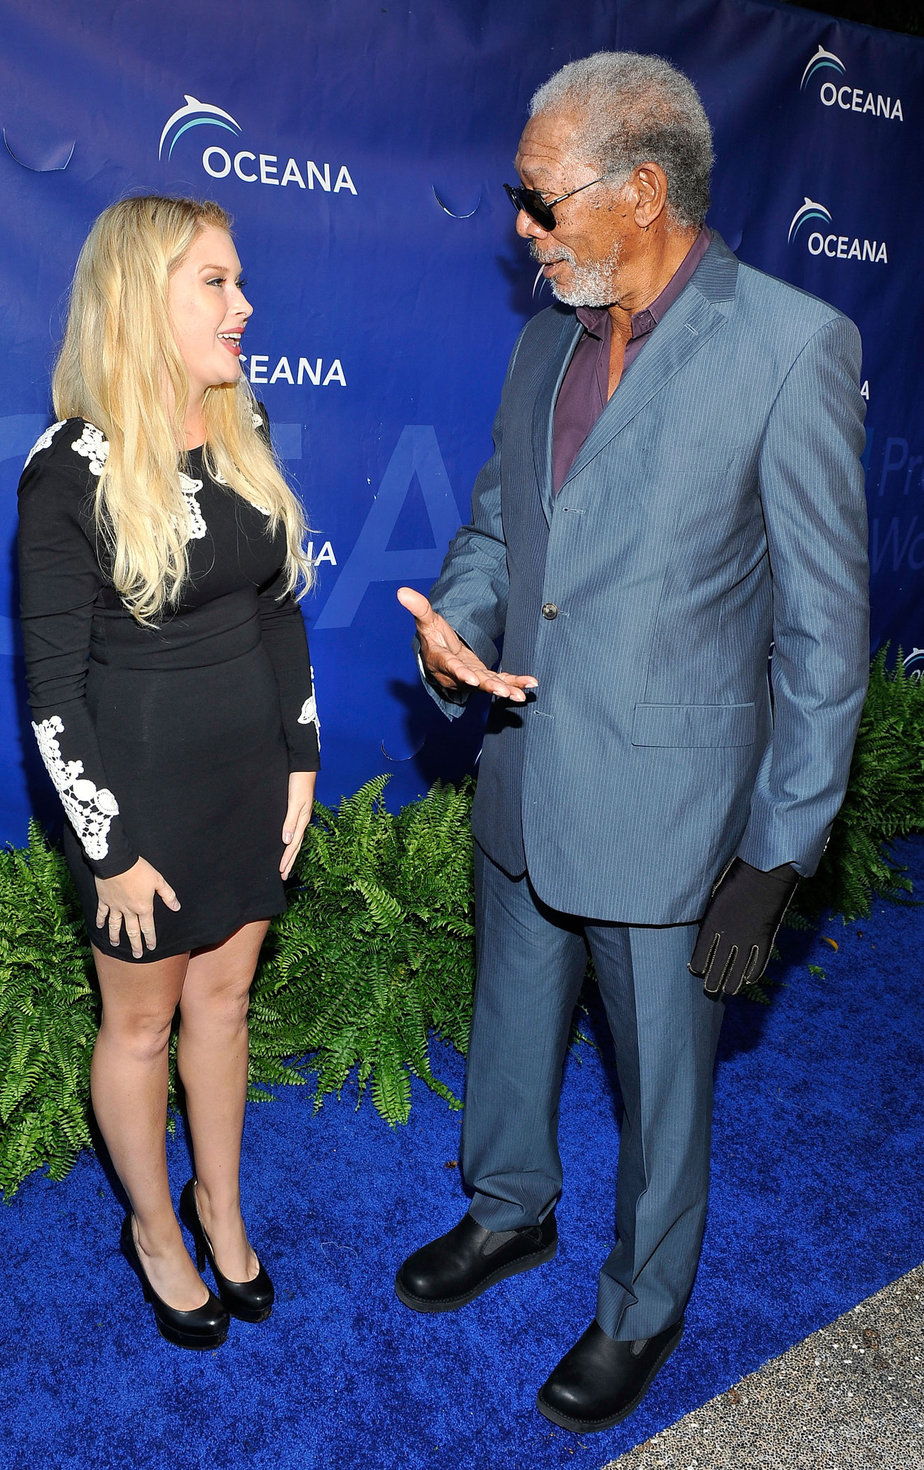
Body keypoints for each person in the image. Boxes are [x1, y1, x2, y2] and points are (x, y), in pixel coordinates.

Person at [396, 52, 868, 1432]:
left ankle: (643, 1304)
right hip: (527, 767)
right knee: (511, 1016)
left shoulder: (790, 347)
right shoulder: (549, 329)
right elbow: (497, 526)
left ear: (642, 191)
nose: (521, 230)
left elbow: (827, 642)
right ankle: (508, 1209)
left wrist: (775, 859)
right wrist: (460, 628)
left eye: (539, 201)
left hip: (675, 813)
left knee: (667, 1083)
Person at [18, 196, 320, 1350]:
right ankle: (152, 1229)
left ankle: (219, 1204)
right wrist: (109, 850)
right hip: (138, 806)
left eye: (238, 283)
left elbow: (280, 614)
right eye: (215, 284)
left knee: (226, 1004)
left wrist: (299, 762)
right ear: (144, 298)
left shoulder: (239, 434)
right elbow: (51, 694)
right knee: (138, 1029)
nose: (243, 306)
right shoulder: (68, 468)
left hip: (251, 788)